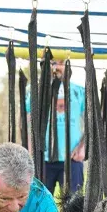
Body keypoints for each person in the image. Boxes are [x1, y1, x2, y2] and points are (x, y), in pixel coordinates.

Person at [44, 59, 85, 196]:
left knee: (73, 206)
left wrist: (83, 147)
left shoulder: (79, 91)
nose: (56, 66)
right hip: (42, 158)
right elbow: (26, 122)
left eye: (60, 62)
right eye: (53, 62)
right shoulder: (36, 91)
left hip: (72, 159)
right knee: (38, 206)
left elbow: (91, 123)